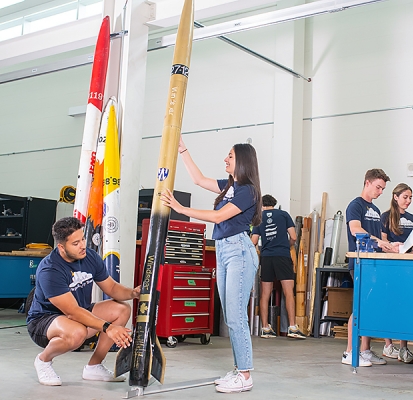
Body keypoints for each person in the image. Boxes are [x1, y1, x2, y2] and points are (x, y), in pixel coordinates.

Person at [161, 139, 261, 394]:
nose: (225, 159)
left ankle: (245, 374)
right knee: (230, 316)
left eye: (230, 156)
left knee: (236, 316)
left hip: (239, 250)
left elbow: (218, 216)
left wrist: (182, 209)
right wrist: (182, 150)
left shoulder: (247, 191)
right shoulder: (230, 186)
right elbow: (198, 179)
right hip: (224, 249)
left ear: (243, 161)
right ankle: (240, 368)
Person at [26, 217, 140, 386]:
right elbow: (72, 311)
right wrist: (109, 328)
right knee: (77, 332)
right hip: (45, 321)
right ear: (61, 247)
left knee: (121, 309)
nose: (82, 245)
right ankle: (43, 360)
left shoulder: (89, 257)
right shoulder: (50, 269)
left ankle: (94, 366)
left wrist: (133, 293)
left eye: (83, 239)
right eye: (76, 243)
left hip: (78, 314)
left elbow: (112, 288)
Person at [342, 168, 397, 367]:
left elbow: (381, 237)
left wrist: (392, 246)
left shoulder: (374, 210)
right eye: (378, 187)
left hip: (375, 264)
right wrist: (378, 242)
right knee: (359, 307)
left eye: (383, 189)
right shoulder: (355, 205)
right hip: (360, 263)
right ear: (367, 183)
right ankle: (349, 352)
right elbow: (356, 229)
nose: (380, 192)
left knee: (370, 307)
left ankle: (364, 350)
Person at [251, 194, 305, 340]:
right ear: (274, 203)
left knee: (265, 294)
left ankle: (265, 328)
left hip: (267, 258)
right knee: (288, 292)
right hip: (282, 256)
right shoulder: (283, 214)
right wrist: (286, 246)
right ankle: (293, 327)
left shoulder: (258, 218)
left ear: (262, 204)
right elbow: (293, 237)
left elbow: (254, 241)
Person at [380, 183, 413, 364]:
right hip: (391, 266)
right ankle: (388, 345)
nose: (408, 201)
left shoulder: (412, 218)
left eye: (411, 198)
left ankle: (404, 347)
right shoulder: (386, 217)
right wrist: (395, 249)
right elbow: (384, 242)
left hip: (408, 267)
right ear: (395, 197)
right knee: (389, 303)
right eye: (405, 197)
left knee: (406, 304)